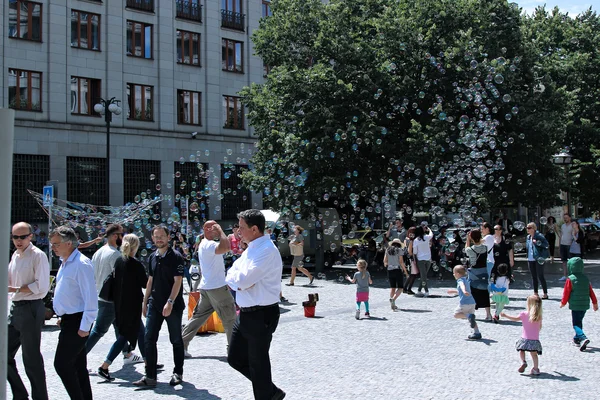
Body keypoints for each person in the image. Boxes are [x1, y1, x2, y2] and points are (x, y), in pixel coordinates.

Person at [225, 209, 285, 400]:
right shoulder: (252, 248)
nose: (238, 231)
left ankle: (266, 395)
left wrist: (238, 281)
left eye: (242, 228)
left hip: (261, 314)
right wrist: (238, 281)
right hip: (245, 313)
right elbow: (232, 273)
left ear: (255, 229)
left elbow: (242, 280)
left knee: (258, 363)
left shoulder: (266, 250)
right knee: (235, 358)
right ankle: (271, 392)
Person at [134, 225, 185, 388]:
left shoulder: (176, 257)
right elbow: (150, 280)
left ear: (168, 237)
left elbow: (178, 281)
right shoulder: (152, 257)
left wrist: (170, 302)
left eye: (162, 236)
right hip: (154, 304)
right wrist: (145, 301)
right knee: (149, 338)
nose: (159, 239)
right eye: (156, 236)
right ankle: (150, 376)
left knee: (176, 339)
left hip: (173, 305)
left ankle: (178, 372)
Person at [50, 226, 98, 400]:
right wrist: (61, 315)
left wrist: (85, 326)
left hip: (78, 321)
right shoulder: (65, 261)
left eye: (56, 244)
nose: (53, 247)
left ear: (68, 243)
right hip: (69, 319)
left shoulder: (81, 263)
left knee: (62, 364)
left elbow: (91, 298)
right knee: (78, 366)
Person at [85, 224, 141, 363]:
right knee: (98, 331)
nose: (123, 238)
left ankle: (127, 354)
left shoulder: (99, 252)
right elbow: (120, 279)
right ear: (115, 236)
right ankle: (78, 357)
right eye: (122, 235)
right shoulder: (115, 254)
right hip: (111, 299)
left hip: (102, 296)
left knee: (119, 327)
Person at [97, 234, 149, 381]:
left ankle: (148, 362)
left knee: (140, 333)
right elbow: (145, 284)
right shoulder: (136, 264)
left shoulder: (119, 261)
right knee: (125, 336)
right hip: (132, 305)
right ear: (136, 246)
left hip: (120, 304)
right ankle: (104, 366)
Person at [7, 222, 50, 400]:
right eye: (15, 237)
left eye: (22, 237)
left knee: (31, 360)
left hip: (31, 307)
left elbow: (42, 287)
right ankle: (20, 395)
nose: (18, 240)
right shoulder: (15, 255)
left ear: (30, 236)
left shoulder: (37, 256)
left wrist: (14, 289)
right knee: (3, 354)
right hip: (16, 308)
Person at [182, 221, 237, 358]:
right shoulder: (209, 244)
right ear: (207, 229)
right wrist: (221, 232)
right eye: (214, 227)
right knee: (230, 318)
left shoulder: (203, 244)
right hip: (217, 287)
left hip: (207, 287)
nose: (217, 229)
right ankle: (234, 350)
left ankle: (181, 344)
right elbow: (226, 247)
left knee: (198, 317)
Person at [559, 257, 598, 351]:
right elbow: (591, 292)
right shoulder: (585, 278)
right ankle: (577, 339)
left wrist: (563, 303)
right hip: (584, 305)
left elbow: (566, 292)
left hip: (575, 305)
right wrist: (595, 303)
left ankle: (582, 337)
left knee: (576, 324)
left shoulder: (570, 279)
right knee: (579, 321)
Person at [501, 295, 543, 375]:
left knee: (521, 350)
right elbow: (540, 327)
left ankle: (523, 362)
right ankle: (536, 369)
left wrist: (505, 315)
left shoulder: (524, 314)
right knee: (534, 354)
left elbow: (515, 319)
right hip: (534, 340)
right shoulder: (539, 316)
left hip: (525, 338)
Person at [447, 265, 481, 340]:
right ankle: (477, 332)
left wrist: (464, 290)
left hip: (464, 303)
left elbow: (462, 286)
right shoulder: (466, 280)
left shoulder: (460, 280)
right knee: (471, 318)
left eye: (454, 273)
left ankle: (469, 316)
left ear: (458, 274)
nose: (453, 275)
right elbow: (463, 291)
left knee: (456, 315)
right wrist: (454, 291)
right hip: (472, 302)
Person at [465, 229, 492, 320]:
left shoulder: (470, 249)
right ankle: (488, 314)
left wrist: (468, 239)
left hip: (474, 272)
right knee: (484, 292)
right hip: (484, 272)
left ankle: (471, 313)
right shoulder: (485, 248)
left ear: (472, 238)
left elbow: (466, 249)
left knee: (472, 293)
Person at [526, 223, 550, 299]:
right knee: (533, 277)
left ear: (534, 228)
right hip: (530, 259)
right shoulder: (528, 237)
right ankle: (535, 293)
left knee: (540, 275)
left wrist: (537, 243)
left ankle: (545, 293)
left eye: (529, 228)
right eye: (527, 228)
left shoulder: (539, 236)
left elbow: (546, 244)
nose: (528, 229)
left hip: (538, 258)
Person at [383, 239, 408, 310]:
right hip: (397, 270)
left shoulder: (387, 250)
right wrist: (406, 272)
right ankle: (393, 299)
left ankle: (392, 302)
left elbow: (385, 261)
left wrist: (389, 264)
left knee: (392, 287)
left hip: (390, 270)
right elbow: (401, 262)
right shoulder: (399, 250)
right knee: (400, 288)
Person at [412, 225, 434, 297]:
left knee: (423, 276)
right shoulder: (426, 237)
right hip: (428, 259)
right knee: (424, 276)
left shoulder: (416, 240)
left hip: (420, 259)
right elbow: (431, 235)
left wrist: (415, 258)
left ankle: (422, 291)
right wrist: (429, 229)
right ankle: (423, 290)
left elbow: (415, 252)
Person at [403, 227, 419, 295]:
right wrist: (415, 254)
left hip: (406, 259)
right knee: (413, 274)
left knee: (411, 274)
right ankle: (408, 289)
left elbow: (405, 248)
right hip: (411, 259)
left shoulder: (405, 239)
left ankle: (405, 288)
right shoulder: (411, 241)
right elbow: (409, 251)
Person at [559, 214, 573, 281]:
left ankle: (570, 275)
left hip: (569, 244)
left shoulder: (572, 225)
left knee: (570, 261)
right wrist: (559, 243)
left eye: (566, 218)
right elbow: (561, 235)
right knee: (564, 261)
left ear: (570, 218)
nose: (565, 219)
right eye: (564, 218)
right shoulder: (563, 226)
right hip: (563, 244)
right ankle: (564, 275)